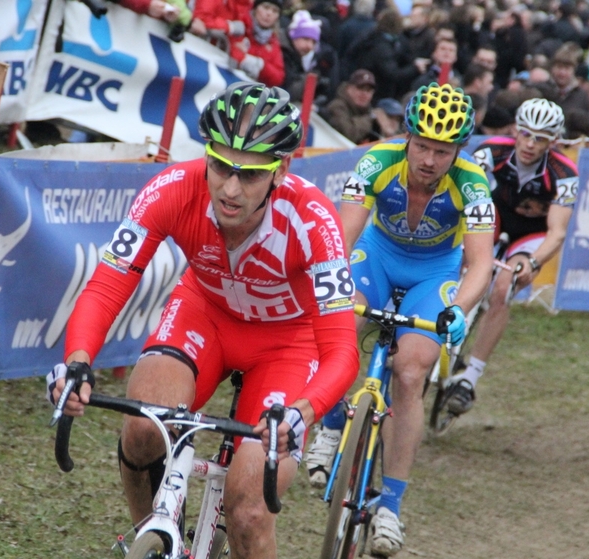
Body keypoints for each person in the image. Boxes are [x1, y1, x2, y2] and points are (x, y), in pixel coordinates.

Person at [47, 82, 359, 559]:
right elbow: (109, 283)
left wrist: (305, 411)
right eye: (220, 166)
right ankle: (153, 543)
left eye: (250, 175)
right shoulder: (174, 188)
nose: (230, 189)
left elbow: (341, 350)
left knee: (249, 511)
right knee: (143, 427)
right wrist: (77, 360)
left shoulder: (313, 220)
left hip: (288, 345)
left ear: (282, 170)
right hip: (206, 315)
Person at [305, 83, 495, 556]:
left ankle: (390, 506)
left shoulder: (473, 184)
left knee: (410, 372)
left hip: (434, 273)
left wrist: (457, 310)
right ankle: (330, 427)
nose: (430, 160)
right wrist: (330, 287)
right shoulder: (376, 160)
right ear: (407, 137)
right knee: (341, 327)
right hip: (378, 255)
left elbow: (482, 264)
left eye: (443, 151)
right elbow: (342, 235)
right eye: (423, 146)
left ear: (459, 151)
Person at [449, 98, 577, 416]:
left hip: (530, 235)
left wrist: (532, 264)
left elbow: (557, 233)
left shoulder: (565, 172)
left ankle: (469, 379)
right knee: (459, 260)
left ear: (554, 142)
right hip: (493, 217)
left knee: (504, 286)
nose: (530, 144)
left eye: (541, 138)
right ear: (515, 130)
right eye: (526, 134)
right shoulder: (490, 151)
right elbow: (466, 200)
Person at [229, 0, 285, 87]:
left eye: (275, 11)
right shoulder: (241, 26)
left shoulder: (273, 41)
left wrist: (260, 65)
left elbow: (278, 77)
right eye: (265, 7)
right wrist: (243, 59)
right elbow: (231, 48)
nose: (269, 13)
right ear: (255, 9)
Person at [324, 68, 376, 143]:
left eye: (368, 91)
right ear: (349, 88)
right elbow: (349, 134)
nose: (364, 94)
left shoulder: (369, 112)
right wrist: (367, 120)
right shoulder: (337, 106)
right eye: (360, 88)